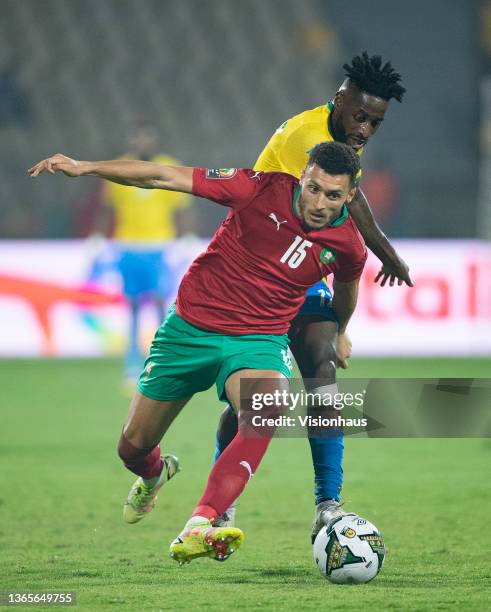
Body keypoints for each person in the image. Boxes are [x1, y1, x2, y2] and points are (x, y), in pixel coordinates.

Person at [29, 141, 367, 564]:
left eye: (333, 195)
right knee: (132, 449)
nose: (318, 203)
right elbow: (162, 176)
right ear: (303, 177)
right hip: (189, 330)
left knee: (268, 407)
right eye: (313, 188)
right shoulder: (258, 189)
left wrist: (341, 331)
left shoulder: (350, 244)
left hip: (258, 339)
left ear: (350, 196)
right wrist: (85, 166)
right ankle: (156, 473)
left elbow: (347, 292)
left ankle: (203, 522)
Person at [211, 52, 409, 541]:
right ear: (339, 101)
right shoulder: (309, 137)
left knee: (321, 369)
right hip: (252, 276)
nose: (364, 129)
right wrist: (389, 254)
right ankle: (219, 505)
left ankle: (328, 503)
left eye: (375, 123)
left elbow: (344, 232)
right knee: (252, 404)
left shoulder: (343, 138)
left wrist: (342, 328)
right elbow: (354, 202)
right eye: (360, 116)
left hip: (300, 271)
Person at [95, 121, 190, 387]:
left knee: (161, 305)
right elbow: (107, 207)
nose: (143, 143)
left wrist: (185, 239)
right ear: (132, 141)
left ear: (154, 140)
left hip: (159, 247)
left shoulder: (169, 167)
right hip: (128, 246)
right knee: (134, 308)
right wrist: (99, 238)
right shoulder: (119, 168)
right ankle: (132, 365)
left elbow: (180, 208)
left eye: (147, 138)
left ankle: (161, 362)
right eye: (138, 138)